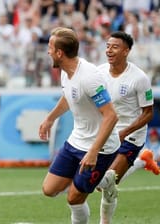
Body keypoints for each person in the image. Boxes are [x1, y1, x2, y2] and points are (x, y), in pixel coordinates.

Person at [38, 27, 120, 224]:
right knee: (49, 189)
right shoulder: (66, 72)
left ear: (60, 53)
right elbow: (69, 96)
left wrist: (93, 151)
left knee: (74, 198)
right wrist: (50, 118)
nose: (48, 51)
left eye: (50, 47)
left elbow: (111, 116)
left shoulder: (90, 77)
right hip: (76, 141)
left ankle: (101, 181)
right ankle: (104, 179)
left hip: (101, 148)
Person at [96, 31, 157, 224]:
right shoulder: (98, 73)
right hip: (107, 132)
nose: (109, 50)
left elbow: (148, 113)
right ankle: (142, 162)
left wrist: (124, 132)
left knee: (106, 180)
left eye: (114, 47)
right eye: (107, 46)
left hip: (131, 136)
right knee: (106, 184)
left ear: (126, 51)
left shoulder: (139, 78)